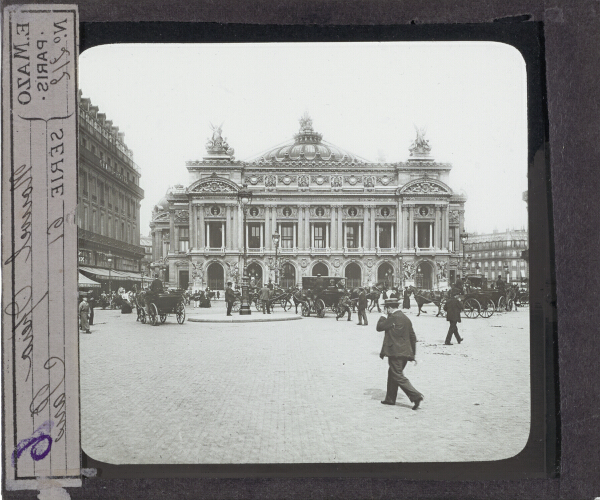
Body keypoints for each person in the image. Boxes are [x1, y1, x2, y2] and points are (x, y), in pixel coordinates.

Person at [377, 298, 424, 410]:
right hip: (405, 353)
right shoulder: (406, 318)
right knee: (392, 373)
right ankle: (390, 398)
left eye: (386, 308)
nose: (385, 310)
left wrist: (383, 316)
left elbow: (379, 327)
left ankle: (416, 396)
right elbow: (413, 337)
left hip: (395, 352)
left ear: (389, 308)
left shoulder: (392, 317)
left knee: (397, 375)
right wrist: (413, 355)